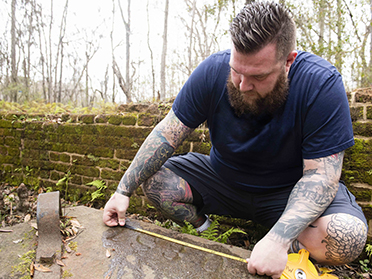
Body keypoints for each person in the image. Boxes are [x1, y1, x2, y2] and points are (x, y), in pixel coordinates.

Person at [103, 2, 368, 278]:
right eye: (236, 70)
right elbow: (166, 135)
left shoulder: (321, 84)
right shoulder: (211, 71)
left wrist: (278, 239)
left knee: (347, 237)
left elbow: (322, 177)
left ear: (288, 61)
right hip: (223, 182)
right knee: (156, 181)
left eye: (258, 75)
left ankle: (284, 249)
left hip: (286, 192)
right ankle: (205, 230)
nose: (242, 84)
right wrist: (122, 191)